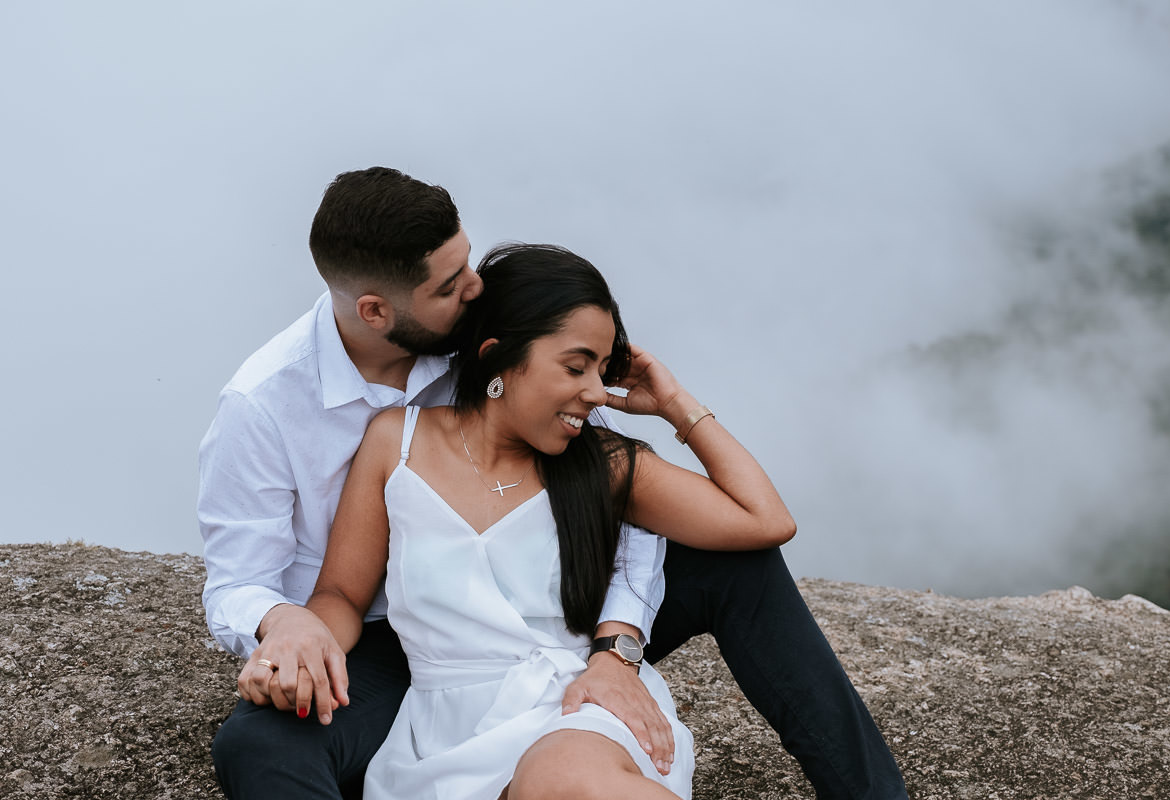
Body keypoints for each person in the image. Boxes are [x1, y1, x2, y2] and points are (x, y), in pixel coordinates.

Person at [199, 167, 908, 799]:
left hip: (550, 612)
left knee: (741, 563)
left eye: (468, 265)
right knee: (258, 747)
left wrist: (615, 645)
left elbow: (629, 511)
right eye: (451, 287)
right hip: (394, 642)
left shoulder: (498, 350)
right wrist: (286, 632)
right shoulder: (266, 405)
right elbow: (252, 582)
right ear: (377, 311)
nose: (475, 290)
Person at [276, 242, 795, 798]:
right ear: (498, 356)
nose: (596, 392)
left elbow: (764, 520)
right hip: (441, 737)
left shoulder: (606, 463)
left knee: (558, 777)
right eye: (576, 366)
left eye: (601, 368)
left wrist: (674, 404)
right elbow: (340, 595)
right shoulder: (394, 442)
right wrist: (295, 641)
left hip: (582, 707)